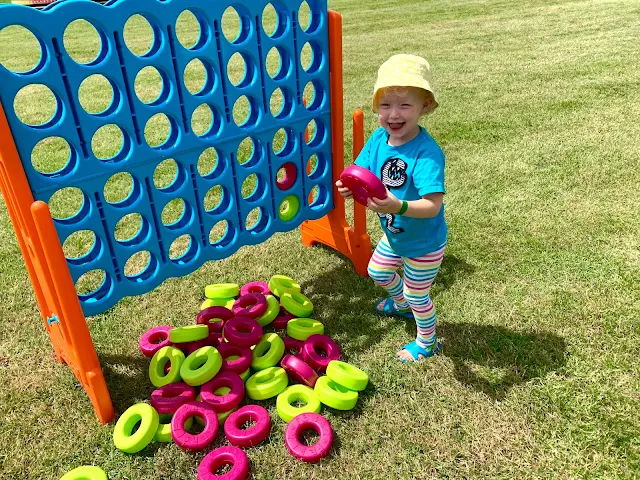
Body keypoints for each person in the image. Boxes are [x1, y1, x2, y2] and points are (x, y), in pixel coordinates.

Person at [336, 54, 447, 362]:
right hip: (395, 236)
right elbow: (359, 171)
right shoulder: (378, 138)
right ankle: (401, 306)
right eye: (385, 105)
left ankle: (427, 342)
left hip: (424, 243)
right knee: (377, 271)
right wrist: (347, 187)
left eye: (405, 105)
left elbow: (432, 206)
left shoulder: (426, 154)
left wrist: (397, 205)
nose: (393, 114)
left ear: (424, 107)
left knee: (417, 294)